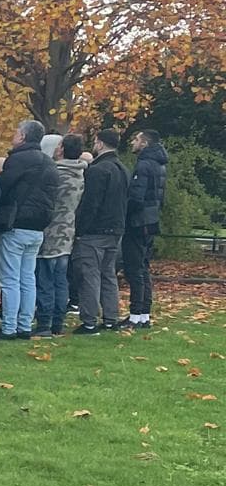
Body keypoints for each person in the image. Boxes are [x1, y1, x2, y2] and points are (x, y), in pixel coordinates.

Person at [0, 120, 56, 339]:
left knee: (10, 278)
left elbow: (2, 188)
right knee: (28, 277)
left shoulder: (17, 160)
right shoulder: (49, 163)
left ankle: (9, 326)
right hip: (38, 226)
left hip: (16, 224)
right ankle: (25, 325)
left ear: (22, 136)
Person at [73, 131, 128, 334]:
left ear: (101, 143)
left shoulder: (98, 170)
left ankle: (89, 320)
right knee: (108, 275)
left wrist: (80, 230)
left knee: (90, 275)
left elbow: (90, 204)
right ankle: (111, 318)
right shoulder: (122, 169)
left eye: (96, 141)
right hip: (116, 229)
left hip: (95, 231)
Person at [36, 133, 86, 337]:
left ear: (62, 149)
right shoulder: (80, 173)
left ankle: (44, 323)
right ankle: (58, 322)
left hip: (51, 231)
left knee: (45, 279)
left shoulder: (55, 173)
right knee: (60, 280)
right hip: (68, 231)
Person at [124, 130, 167, 328]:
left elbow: (136, 198)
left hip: (138, 222)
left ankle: (135, 314)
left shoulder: (143, 165)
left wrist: (125, 212)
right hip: (152, 219)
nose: (133, 142)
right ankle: (144, 314)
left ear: (144, 142)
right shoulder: (159, 165)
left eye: (136, 139)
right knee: (144, 267)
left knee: (134, 268)